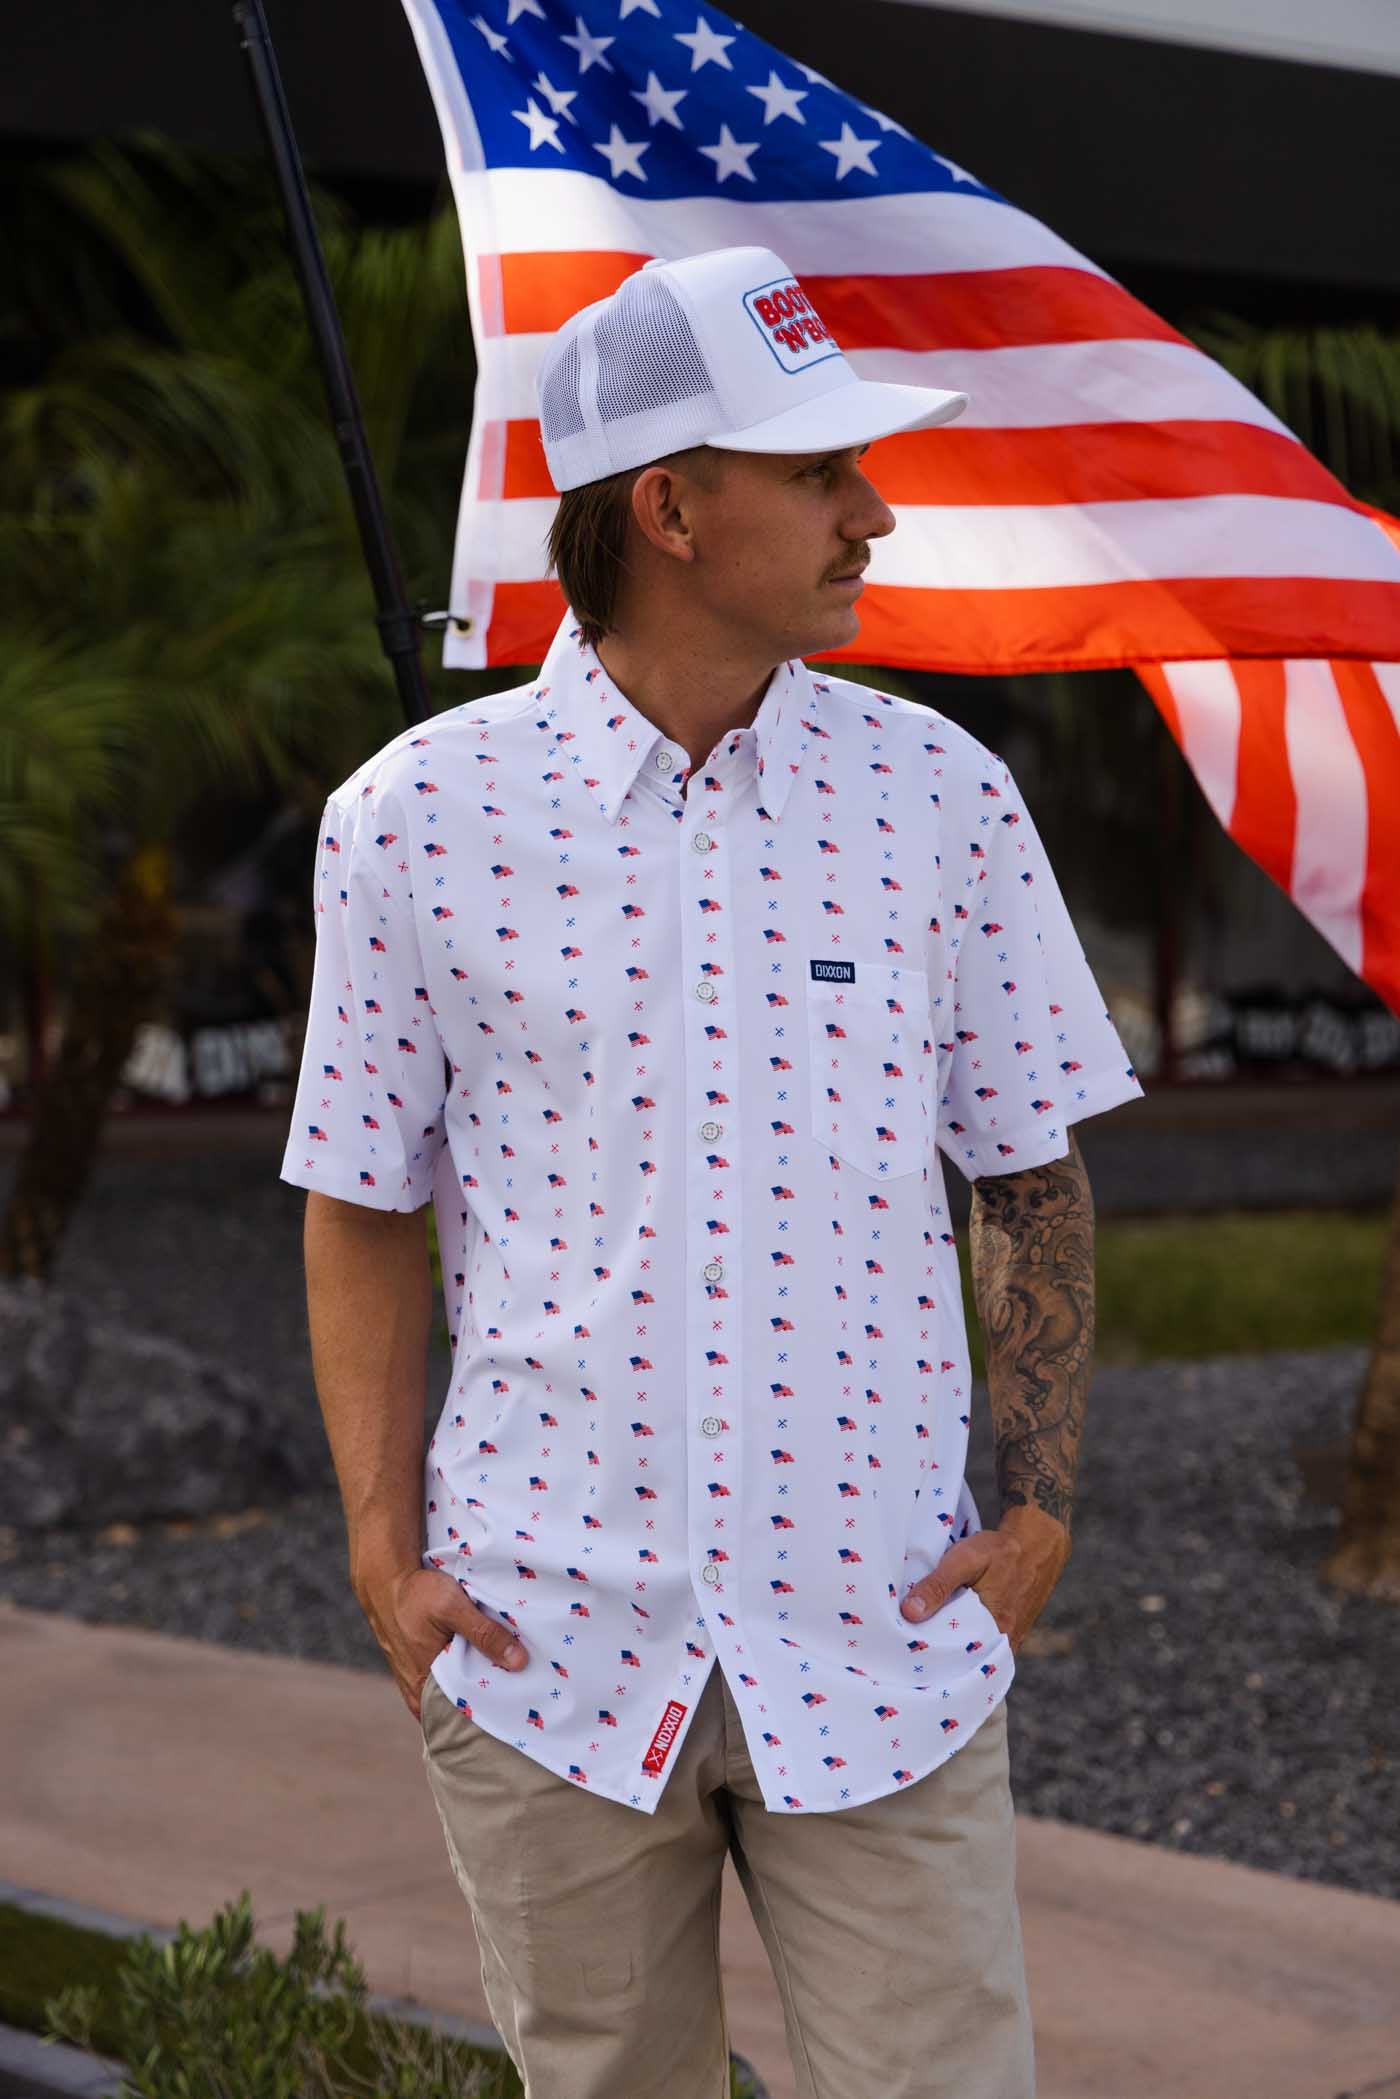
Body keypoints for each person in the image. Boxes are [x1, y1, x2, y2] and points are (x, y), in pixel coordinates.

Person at [279, 243, 1145, 2099]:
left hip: (886, 1646)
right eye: (820, 475)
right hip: (546, 1657)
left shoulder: (942, 799)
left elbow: (1029, 1173)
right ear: (669, 510)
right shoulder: (411, 822)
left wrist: (1040, 1509)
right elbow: (360, 1199)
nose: (872, 514)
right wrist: (381, 1559)